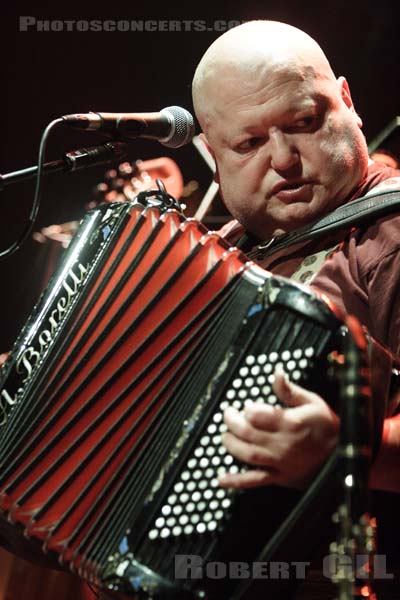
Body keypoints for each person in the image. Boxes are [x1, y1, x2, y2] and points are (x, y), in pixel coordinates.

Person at [192, 22, 400, 598]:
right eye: (249, 143)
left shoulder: (390, 239)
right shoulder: (209, 263)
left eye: (303, 123)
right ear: (212, 154)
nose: (283, 158)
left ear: (347, 103)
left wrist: (346, 449)